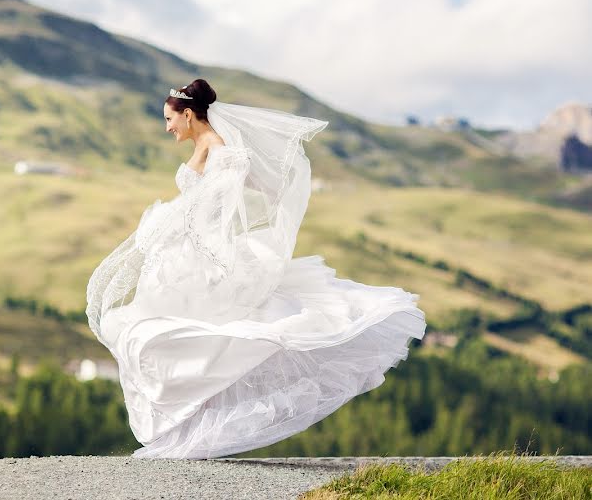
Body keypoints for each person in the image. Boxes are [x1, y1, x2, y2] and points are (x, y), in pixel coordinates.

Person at [86, 79, 426, 459]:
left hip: (202, 255)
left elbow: (214, 207)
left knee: (199, 339)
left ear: (187, 114)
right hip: (183, 250)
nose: (167, 127)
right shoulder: (206, 146)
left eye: (169, 119)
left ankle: (197, 428)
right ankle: (185, 428)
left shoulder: (225, 153)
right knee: (163, 335)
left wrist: (192, 235)